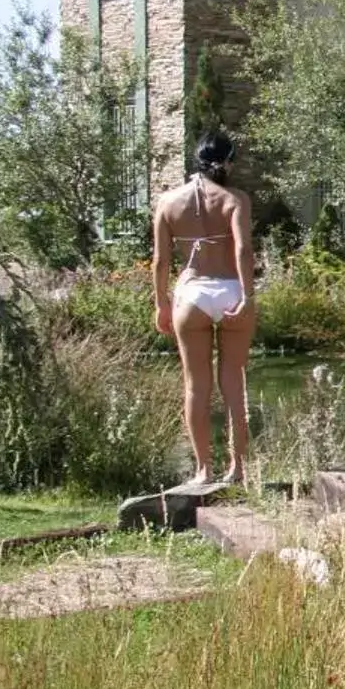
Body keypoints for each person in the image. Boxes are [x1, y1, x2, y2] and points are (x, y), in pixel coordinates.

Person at [152, 130, 257, 486]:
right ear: (227, 161)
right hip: (230, 289)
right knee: (234, 383)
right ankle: (237, 470)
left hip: (191, 294)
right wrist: (248, 297)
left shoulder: (168, 202)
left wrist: (161, 303)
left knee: (196, 386)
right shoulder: (235, 199)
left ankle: (202, 470)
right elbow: (243, 251)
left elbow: (160, 262)